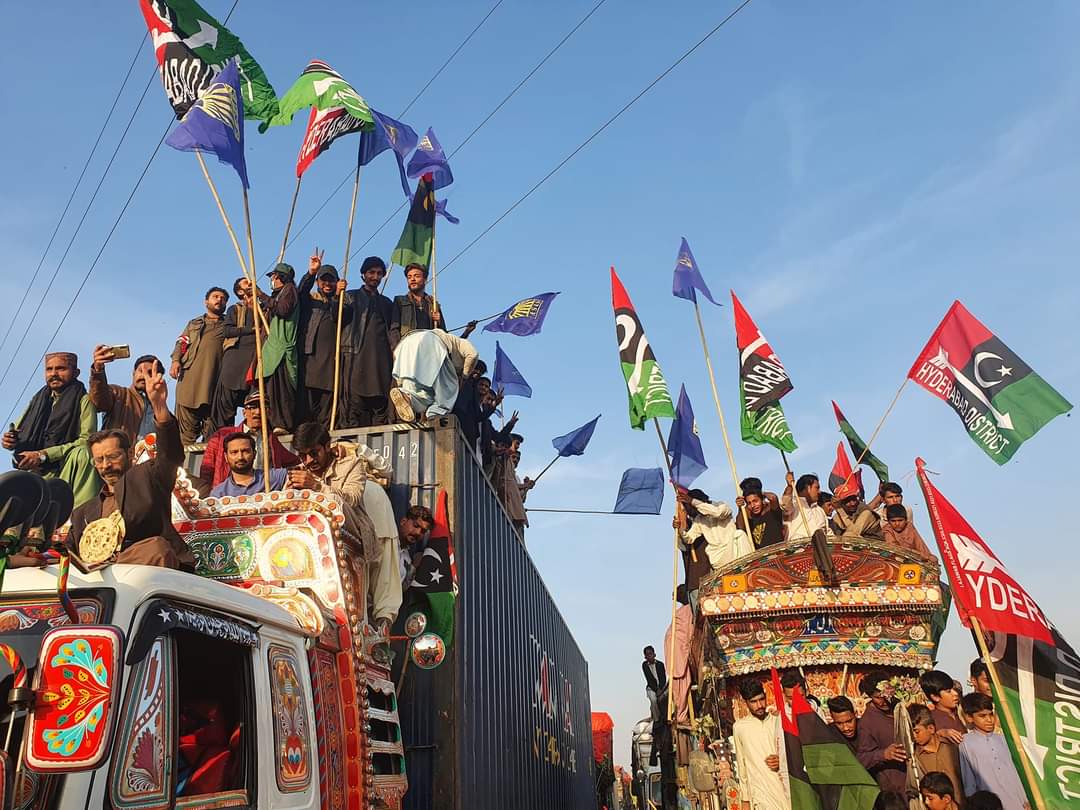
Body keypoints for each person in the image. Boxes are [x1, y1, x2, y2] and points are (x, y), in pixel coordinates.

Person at [67, 366, 194, 569]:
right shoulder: (83, 512)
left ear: (129, 454)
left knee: (156, 548)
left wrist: (160, 407)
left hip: (141, 565)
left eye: (112, 457)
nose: (106, 465)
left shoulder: (148, 479)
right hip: (98, 577)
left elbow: (170, 456)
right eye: (99, 460)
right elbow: (69, 553)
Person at [287, 423, 401, 634]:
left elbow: (351, 499)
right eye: (303, 456)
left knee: (379, 584)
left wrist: (317, 486)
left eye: (314, 453)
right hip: (314, 550)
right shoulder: (299, 473)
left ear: (328, 446)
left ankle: (380, 629)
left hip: (356, 536)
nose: (309, 461)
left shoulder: (351, 464)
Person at [3, 352, 99, 508]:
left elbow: (87, 439)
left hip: (65, 466)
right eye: (49, 369)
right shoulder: (38, 400)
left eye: (61, 369)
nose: (54, 374)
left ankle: (78, 516)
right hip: (33, 471)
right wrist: (9, 441)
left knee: (84, 452)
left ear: (76, 373)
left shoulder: (84, 400)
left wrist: (44, 455)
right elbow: (18, 433)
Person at [199, 392, 298, 488]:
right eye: (253, 407)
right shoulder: (222, 436)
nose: (258, 412)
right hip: (229, 496)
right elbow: (206, 470)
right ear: (244, 413)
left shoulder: (271, 440)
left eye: (264, 407)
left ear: (269, 413)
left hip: (263, 495)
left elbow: (294, 462)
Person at [170, 287, 228, 444]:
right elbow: (181, 342)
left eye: (223, 298)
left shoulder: (229, 324)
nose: (219, 300)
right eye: (215, 296)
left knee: (213, 437)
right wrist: (176, 360)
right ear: (206, 301)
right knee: (185, 437)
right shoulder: (194, 324)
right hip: (190, 383)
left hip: (215, 385)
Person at [297, 256, 349, 427]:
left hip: (330, 363)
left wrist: (338, 295)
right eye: (323, 280)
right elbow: (300, 292)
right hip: (309, 361)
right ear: (318, 282)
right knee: (306, 407)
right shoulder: (310, 301)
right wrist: (311, 273)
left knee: (327, 408)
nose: (327, 284)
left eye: (331, 280)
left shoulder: (341, 302)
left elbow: (338, 315)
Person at [344, 256, 395, 428]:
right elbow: (337, 317)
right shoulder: (350, 297)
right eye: (371, 272)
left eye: (379, 273)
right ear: (363, 274)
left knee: (380, 404)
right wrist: (338, 296)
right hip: (356, 357)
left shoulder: (387, 303)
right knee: (355, 405)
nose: (375, 277)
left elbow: (393, 331)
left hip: (382, 362)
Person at [389, 328, 479, 423]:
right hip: (432, 342)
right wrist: (465, 376)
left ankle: (406, 396)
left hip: (405, 346)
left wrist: (400, 382)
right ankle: (435, 414)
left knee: (421, 393)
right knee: (448, 390)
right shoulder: (460, 342)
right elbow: (473, 354)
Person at [958, 693, 1028, 810]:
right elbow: (969, 781)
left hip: (1019, 801)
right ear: (969, 717)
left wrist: (1026, 799)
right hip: (989, 805)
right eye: (982, 716)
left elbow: (1019, 773)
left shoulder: (1004, 739)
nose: (989, 720)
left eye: (991, 715)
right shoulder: (965, 743)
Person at [89, 347, 166, 444]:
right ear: (133, 373)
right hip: (119, 456)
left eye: (150, 373)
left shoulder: (162, 411)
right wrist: (98, 370)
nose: (143, 376)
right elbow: (99, 401)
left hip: (150, 458)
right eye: (140, 371)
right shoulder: (118, 394)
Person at [210, 277, 257, 430]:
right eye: (245, 283)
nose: (249, 284)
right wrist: (250, 330)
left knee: (253, 403)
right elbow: (227, 331)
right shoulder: (235, 309)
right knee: (226, 406)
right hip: (235, 361)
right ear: (239, 291)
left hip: (254, 360)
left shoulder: (263, 308)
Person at [259, 263, 299, 433]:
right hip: (272, 349)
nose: (272, 281)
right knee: (270, 390)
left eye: (274, 277)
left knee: (281, 389)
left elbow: (282, 310)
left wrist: (261, 295)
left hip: (282, 349)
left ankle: (282, 423)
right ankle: (270, 423)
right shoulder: (278, 295)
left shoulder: (289, 290)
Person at [732, 679, 784, 810]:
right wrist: (745, 800)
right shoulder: (739, 727)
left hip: (783, 788)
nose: (759, 705)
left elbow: (792, 753)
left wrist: (782, 760)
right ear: (745, 703)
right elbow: (741, 764)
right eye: (753, 702)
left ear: (766, 696)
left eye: (761, 699)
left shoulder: (778, 721)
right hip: (759, 792)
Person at [855, 669, 908, 793]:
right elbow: (861, 759)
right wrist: (884, 754)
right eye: (878, 697)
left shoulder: (900, 707)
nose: (883, 701)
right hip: (892, 784)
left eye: (886, 695)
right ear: (870, 697)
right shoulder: (867, 722)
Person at [676, 489, 752, 571]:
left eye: (691, 507)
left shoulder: (722, 506)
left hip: (734, 550)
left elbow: (717, 513)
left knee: (739, 534)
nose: (690, 512)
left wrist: (692, 501)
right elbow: (689, 539)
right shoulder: (699, 520)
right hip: (719, 558)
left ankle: (751, 567)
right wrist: (679, 528)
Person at [910, 704, 965, 805]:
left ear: (931, 729)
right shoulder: (914, 759)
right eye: (911, 732)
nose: (914, 736)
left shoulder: (952, 745)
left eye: (917, 732)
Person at [209, 433, 288, 497]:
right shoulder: (219, 494)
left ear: (254, 454)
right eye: (234, 452)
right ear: (226, 457)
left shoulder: (275, 477)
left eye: (245, 451)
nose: (240, 457)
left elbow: (297, 472)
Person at [389, 263, 445, 349]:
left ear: (425, 279)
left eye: (417, 276)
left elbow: (444, 334)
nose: (412, 279)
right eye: (409, 277)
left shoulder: (433, 304)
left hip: (429, 349)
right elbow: (394, 330)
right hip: (407, 348)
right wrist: (395, 350)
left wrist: (439, 320)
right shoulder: (400, 301)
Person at [663, 588, 694, 725]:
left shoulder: (684, 610)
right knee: (682, 680)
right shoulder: (687, 610)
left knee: (681, 681)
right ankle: (681, 716)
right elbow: (689, 632)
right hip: (677, 647)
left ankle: (680, 713)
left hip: (677, 645)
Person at [735, 477, 785, 550]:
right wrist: (740, 508)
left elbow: (773, 498)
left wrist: (758, 492)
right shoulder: (746, 516)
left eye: (755, 501)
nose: (753, 505)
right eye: (749, 503)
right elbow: (740, 529)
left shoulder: (772, 510)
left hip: (778, 551)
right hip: (762, 557)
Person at [920, 670, 966, 743]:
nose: (955, 694)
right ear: (935, 697)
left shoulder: (963, 713)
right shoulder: (930, 719)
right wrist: (940, 734)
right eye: (948, 691)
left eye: (954, 690)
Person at [781, 472, 829, 542]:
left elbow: (829, 534)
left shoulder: (820, 510)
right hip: (799, 550)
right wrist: (790, 486)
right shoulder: (794, 505)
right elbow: (785, 505)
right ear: (807, 488)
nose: (819, 492)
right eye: (817, 488)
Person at [397, 504, 433, 587]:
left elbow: (401, 588)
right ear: (403, 521)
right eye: (416, 525)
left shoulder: (406, 557)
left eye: (423, 531)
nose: (418, 533)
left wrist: (413, 567)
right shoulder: (386, 545)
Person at [642, 646, 668, 723]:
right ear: (645, 657)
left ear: (654, 654)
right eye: (647, 655)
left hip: (662, 687)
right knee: (653, 700)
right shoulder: (645, 665)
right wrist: (657, 690)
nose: (649, 656)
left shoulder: (660, 664)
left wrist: (661, 689)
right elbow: (649, 679)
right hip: (651, 688)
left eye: (651, 654)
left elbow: (663, 678)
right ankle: (657, 720)